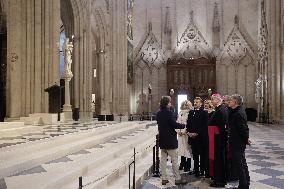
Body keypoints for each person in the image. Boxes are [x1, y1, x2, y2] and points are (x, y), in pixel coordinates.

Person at [156, 96, 187, 185]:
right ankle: (177, 178)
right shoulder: (169, 113)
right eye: (169, 102)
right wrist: (183, 125)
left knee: (163, 160)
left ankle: (164, 178)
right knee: (174, 160)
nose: (170, 104)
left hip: (162, 139)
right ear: (167, 103)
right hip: (170, 139)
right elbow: (173, 124)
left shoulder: (159, 113)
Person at [228, 94, 250, 189]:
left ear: (235, 102)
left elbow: (243, 129)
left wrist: (246, 139)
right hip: (236, 141)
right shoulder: (235, 111)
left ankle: (243, 186)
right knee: (242, 163)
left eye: (231, 100)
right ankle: (246, 183)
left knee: (239, 165)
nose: (229, 102)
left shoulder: (239, 113)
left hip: (238, 142)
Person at [208, 94, 228, 187]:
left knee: (219, 160)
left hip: (218, 139)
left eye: (213, 99)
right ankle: (218, 179)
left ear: (218, 100)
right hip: (217, 138)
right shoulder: (219, 109)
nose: (211, 101)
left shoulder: (220, 110)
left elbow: (221, 127)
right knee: (218, 160)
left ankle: (219, 181)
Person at [187, 97, 208, 177]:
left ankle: (202, 171)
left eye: (197, 102)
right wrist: (189, 132)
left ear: (201, 104)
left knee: (202, 155)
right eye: (194, 102)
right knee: (195, 155)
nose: (195, 103)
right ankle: (196, 170)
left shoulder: (204, 113)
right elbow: (188, 123)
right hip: (192, 137)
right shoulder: (191, 112)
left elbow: (205, 125)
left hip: (201, 137)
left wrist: (196, 133)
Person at [176, 100, 193, 172]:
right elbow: (177, 122)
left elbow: (189, 124)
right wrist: (178, 131)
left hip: (186, 134)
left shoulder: (190, 113)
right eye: (184, 104)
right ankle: (182, 163)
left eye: (187, 105)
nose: (185, 106)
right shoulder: (180, 113)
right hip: (180, 134)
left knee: (187, 150)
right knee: (181, 150)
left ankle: (188, 166)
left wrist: (184, 131)